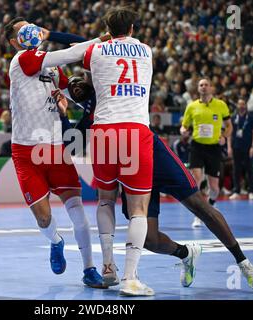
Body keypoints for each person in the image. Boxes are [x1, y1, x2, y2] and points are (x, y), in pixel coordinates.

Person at [54, 70, 253, 291]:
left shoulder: (106, 89)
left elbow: (94, 54)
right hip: (131, 165)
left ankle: (243, 262)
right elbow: (73, 146)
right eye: (74, 88)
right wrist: (62, 115)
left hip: (153, 155)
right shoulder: (89, 117)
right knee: (149, 239)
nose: (77, 88)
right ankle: (186, 253)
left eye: (80, 83)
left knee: (200, 207)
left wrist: (56, 49)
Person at [4, 17, 109, 288]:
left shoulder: (51, 67)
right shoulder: (21, 61)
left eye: (33, 27)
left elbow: (71, 93)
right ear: (15, 41)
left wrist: (92, 98)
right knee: (43, 216)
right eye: (23, 30)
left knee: (77, 210)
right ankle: (56, 241)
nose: (33, 31)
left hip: (55, 150)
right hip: (26, 151)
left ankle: (89, 269)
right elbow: (71, 51)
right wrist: (100, 40)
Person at [79, 8, 158, 296]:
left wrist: (103, 39)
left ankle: (108, 268)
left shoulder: (96, 51)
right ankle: (130, 278)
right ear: (134, 27)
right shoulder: (147, 51)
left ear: (107, 29)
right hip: (135, 130)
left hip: (104, 131)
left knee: (105, 200)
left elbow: (82, 58)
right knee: (138, 209)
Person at [180, 78, 233, 228]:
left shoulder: (220, 105)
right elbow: (184, 126)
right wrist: (183, 131)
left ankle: (210, 205)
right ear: (198, 89)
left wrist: (224, 137)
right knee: (196, 179)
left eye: (206, 85)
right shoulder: (192, 106)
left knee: (214, 187)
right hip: (197, 146)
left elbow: (229, 126)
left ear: (211, 88)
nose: (203, 87)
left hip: (214, 148)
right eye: (201, 85)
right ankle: (198, 214)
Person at [228, 99, 253, 200]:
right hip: (236, 147)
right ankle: (236, 191)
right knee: (236, 170)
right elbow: (230, 133)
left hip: (248, 147)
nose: (241, 105)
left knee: (249, 169)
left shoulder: (251, 117)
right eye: (239, 104)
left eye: (243, 104)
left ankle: (251, 191)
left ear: (246, 105)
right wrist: (229, 147)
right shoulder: (233, 117)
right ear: (237, 105)